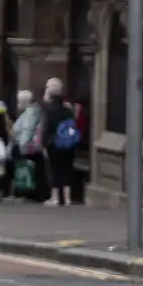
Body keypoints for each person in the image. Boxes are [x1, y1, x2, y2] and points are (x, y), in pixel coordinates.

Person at [41, 78, 80, 207]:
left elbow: (46, 128)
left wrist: (44, 144)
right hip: (68, 144)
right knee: (67, 169)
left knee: (54, 169)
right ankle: (67, 198)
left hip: (53, 144)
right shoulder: (67, 109)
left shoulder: (50, 109)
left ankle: (56, 197)